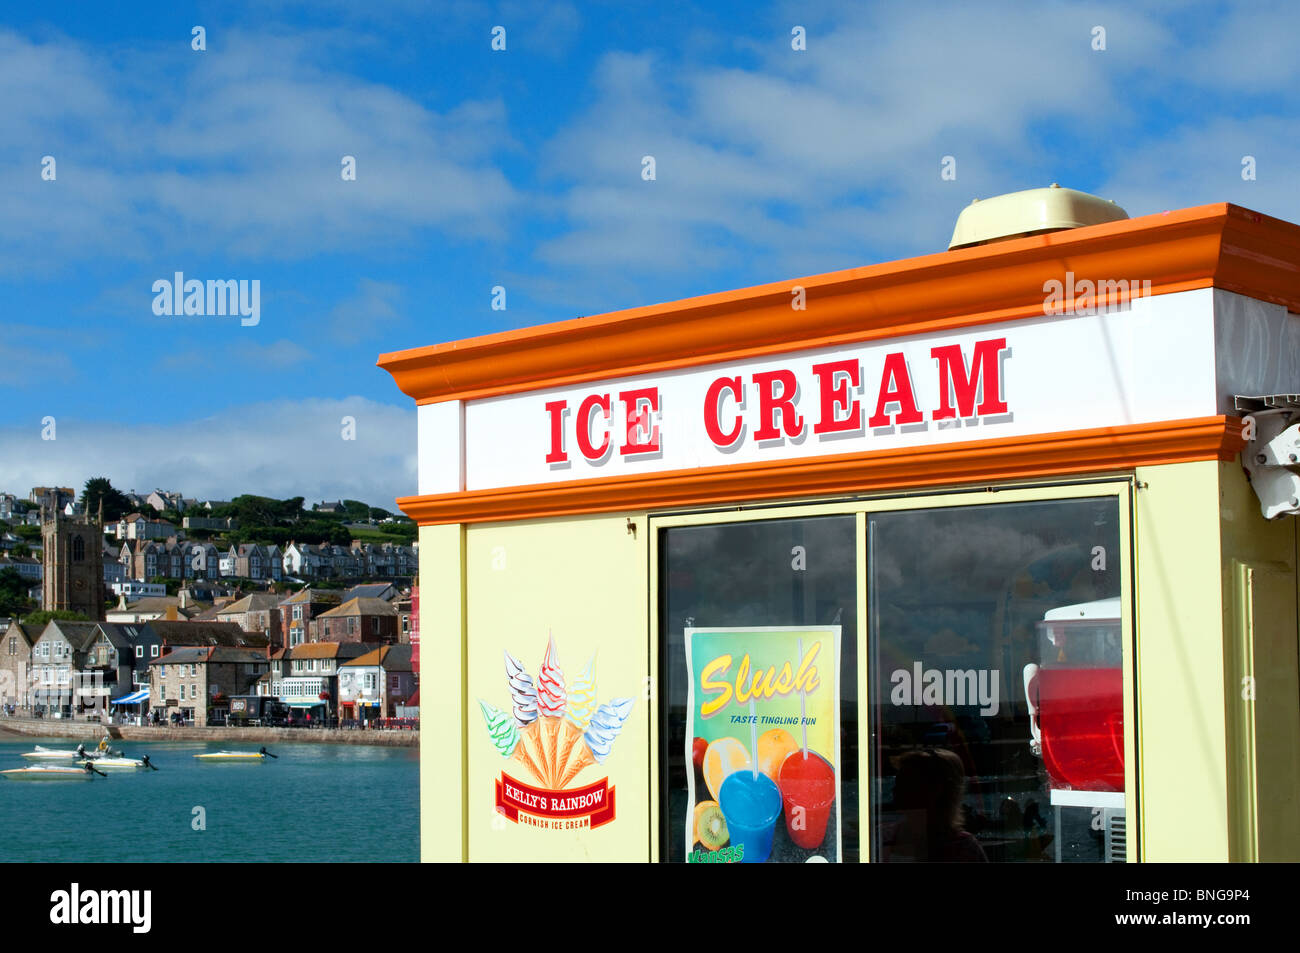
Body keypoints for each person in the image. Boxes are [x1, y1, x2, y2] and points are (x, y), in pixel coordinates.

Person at [881, 748, 988, 862]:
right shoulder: (965, 847)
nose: (895, 790)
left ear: (935, 790)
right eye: (898, 783)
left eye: (906, 784)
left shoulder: (884, 839)